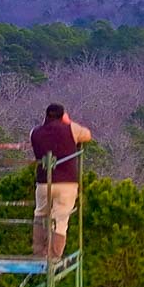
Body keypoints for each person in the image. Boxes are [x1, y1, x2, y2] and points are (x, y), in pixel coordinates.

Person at [30, 103, 90, 259]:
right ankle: (53, 255)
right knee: (61, 220)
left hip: (43, 182)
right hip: (66, 183)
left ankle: (38, 251)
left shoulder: (35, 132)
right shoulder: (70, 129)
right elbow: (87, 135)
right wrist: (68, 122)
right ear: (62, 115)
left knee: (40, 214)